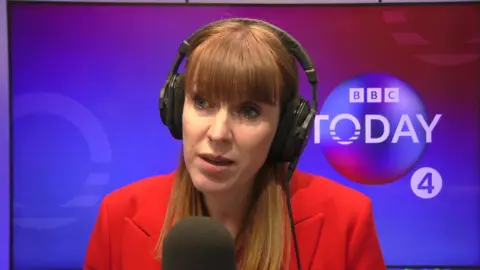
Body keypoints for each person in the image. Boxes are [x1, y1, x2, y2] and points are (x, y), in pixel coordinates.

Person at [84, 18, 386, 270]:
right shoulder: (119, 216)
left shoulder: (347, 221)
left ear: (285, 128)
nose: (218, 133)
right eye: (202, 102)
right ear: (177, 109)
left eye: (249, 111)